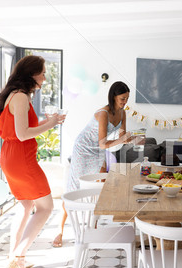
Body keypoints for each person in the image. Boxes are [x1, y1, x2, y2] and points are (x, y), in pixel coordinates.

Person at [0, 55, 65, 268]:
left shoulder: (14, 95)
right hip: (21, 159)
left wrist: (48, 122)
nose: (45, 77)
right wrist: (51, 124)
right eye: (43, 73)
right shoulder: (22, 97)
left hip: (10, 156)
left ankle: (12, 259)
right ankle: (18, 257)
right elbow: (23, 134)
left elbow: (20, 130)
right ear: (32, 74)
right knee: (45, 207)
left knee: (25, 206)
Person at [52, 81, 139, 247]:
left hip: (99, 150)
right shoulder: (103, 114)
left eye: (127, 99)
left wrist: (132, 138)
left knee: (98, 188)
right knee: (74, 188)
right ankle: (60, 231)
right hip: (84, 149)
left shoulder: (123, 113)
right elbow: (103, 143)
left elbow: (121, 137)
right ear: (113, 96)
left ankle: (95, 226)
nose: (124, 102)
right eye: (122, 98)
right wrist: (122, 139)